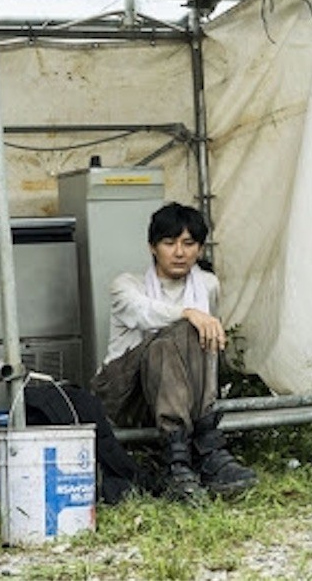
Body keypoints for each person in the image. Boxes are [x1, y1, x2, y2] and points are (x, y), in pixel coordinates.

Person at [91, 202, 257, 500]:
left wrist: (196, 319)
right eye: (169, 243)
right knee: (172, 339)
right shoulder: (126, 286)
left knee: (195, 334)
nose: (179, 252)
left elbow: (206, 347)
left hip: (182, 396)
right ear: (152, 247)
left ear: (201, 249)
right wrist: (189, 313)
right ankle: (194, 455)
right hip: (126, 396)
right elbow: (145, 314)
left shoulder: (207, 285)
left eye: (189, 244)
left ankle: (185, 458)